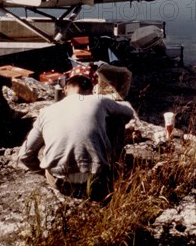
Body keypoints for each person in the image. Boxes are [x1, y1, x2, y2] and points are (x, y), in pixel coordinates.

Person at [18, 71, 135, 200]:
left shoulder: (46, 112)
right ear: (91, 89)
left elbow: (24, 155)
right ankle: (114, 165)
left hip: (62, 183)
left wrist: (42, 172)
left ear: (65, 89)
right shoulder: (99, 100)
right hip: (96, 180)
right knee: (115, 120)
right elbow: (129, 111)